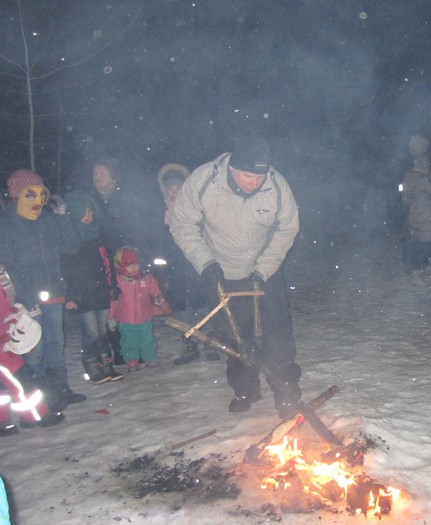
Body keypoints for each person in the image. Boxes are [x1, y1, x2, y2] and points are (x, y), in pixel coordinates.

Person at [170, 133, 302, 417]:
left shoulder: (276, 185)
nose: (255, 183)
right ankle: (245, 389)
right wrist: (206, 264)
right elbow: (182, 225)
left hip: (264, 270)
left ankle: (285, 391)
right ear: (232, 167)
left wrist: (263, 269)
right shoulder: (204, 181)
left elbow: (287, 229)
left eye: (260, 176)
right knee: (233, 337)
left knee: (277, 333)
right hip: (220, 269)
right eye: (247, 176)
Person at [0, 170, 86, 408]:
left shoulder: (48, 219)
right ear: (17, 196)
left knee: (56, 346)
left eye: (41, 193)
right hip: (27, 300)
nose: (37, 200)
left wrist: (62, 216)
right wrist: (23, 300)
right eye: (30, 194)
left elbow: (71, 246)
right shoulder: (7, 225)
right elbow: (7, 263)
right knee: (33, 351)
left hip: (54, 292)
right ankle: (41, 398)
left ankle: (61, 390)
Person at [155, 164, 218, 365]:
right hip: (174, 271)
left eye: (178, 189)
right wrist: (161, 267)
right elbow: (158, 245)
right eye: (170, 190)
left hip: (195, 267)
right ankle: (189, 344)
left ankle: (210, 342)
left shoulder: (196, 212)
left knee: (202, 305)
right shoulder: (162, 216)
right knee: (182, 308)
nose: (174, 193)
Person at [61, 190, 124, 384]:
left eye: (91, 212)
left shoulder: (97, 238)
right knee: (91, 333)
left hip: (101, 293)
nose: (88, 217)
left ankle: (107, 366)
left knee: (102, 331)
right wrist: (70, 297)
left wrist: (113, 288)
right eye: (84, 213)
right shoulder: (70, 243)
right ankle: (92, 367)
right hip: (84, 297)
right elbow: (68, 273)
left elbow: (108, 266)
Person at [1, 263, 65, 434]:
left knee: (7, 383)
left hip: (5, 338)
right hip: (2, 345)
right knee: (22, 378)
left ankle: (7, 420)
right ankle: (38, 415)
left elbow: (7, 302)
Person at [109, 246, 168, 371]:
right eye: (129, 265)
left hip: (145, 316)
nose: (134, 268)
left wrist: (162, 304)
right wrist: (111, 317)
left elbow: (156, 292)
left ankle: (150, 357)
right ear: (121, 266)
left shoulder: (146, 278)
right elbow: (114, 300)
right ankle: (131, 360)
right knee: (129, 341)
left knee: (148, 338)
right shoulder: (118, 281)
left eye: (135, 264)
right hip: (125, 318)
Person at [400, 150, 431, 286]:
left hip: (413, 214)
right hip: (426, 215)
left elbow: (404, 198)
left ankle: (413, 271)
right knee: (427, 244)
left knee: (416, 242)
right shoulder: (423, 179)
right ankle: (419, 273)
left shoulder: (408, 177)